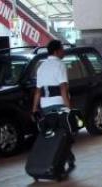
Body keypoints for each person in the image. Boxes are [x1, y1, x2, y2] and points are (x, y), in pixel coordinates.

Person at [31, 39, 75, 170]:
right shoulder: (60, 65)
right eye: (62, 49)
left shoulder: (41, 67)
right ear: (56, 51)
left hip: (45, 106)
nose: (64, 51)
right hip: (59, 105)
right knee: (66, 134)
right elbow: (63, 89)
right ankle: (63, 160)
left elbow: (38, 91)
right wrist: (69, 107)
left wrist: (34, 109)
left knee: (54, 136)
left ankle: (65, 159)